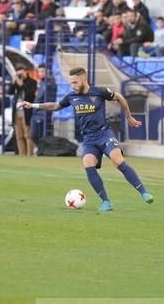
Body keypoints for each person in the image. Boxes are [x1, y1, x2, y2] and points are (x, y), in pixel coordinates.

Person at [19, 67, 154, 212]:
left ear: (84, 80)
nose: (73, 86)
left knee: (117, 160)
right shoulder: (72, 97)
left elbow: (120, 97)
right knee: (88, 165)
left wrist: (129, 117)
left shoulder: (99, 92)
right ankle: (106, 202)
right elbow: (56, 106)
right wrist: (32, 105)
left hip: (104, 134)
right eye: (71, 83)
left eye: (75, 82)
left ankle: (144, 193)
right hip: (89, 139)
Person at [9, 65, 37, 156]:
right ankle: (22, 154)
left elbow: (30, 94)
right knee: (19, 135)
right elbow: (9, 92)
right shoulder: (16, 82)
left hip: (26, 112)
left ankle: (30, 154)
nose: (20, 75)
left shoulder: (32, 82)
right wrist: (14, 82)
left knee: (27, 135)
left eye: (21, 72)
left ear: (25, 71)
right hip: (17, 112)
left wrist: (22, 84)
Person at [30, 63, 56, 146]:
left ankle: (42, 150)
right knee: (34, 135)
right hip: (37, 111)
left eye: (43, 71)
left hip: (42, 112)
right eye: (39, 71)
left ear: (47, 71)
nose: (41, 73)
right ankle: (40, 149)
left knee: (40, 135)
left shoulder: (50, 82)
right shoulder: (42, 82)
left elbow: (46, 98)